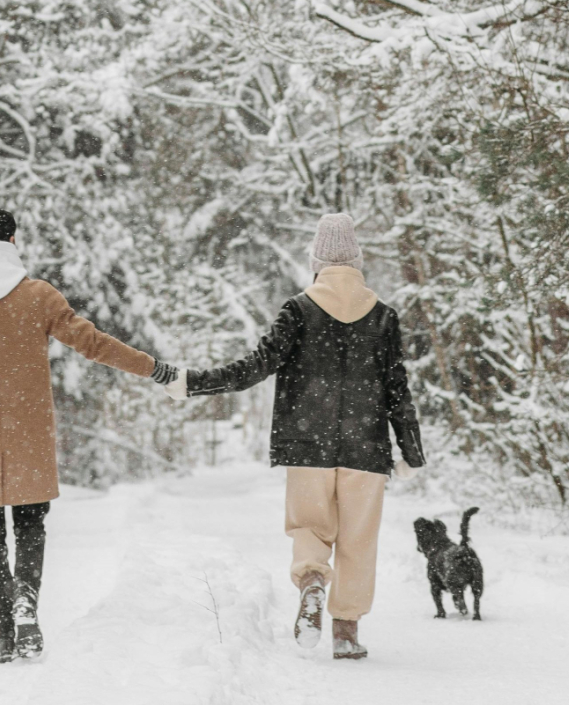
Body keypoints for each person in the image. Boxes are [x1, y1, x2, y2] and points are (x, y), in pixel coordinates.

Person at [0, 207, 178, 663]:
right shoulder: (38, 296)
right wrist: (153, 368)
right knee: (30, 525)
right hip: (29, 431)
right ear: (11, 242)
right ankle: (26, 603)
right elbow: (93, 343)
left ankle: (4, 633)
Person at [164, 213, 424, 659]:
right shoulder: (384, 317)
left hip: (307, 444)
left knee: (310, 527)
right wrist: (411, 450)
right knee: (359, 539)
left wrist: (194, 383)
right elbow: (397, 389)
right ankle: (346, 633)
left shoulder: (299, 310)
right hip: (366, 446)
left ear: (316, 262)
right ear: (357, 262)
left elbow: (254, 367)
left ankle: (312, 581)